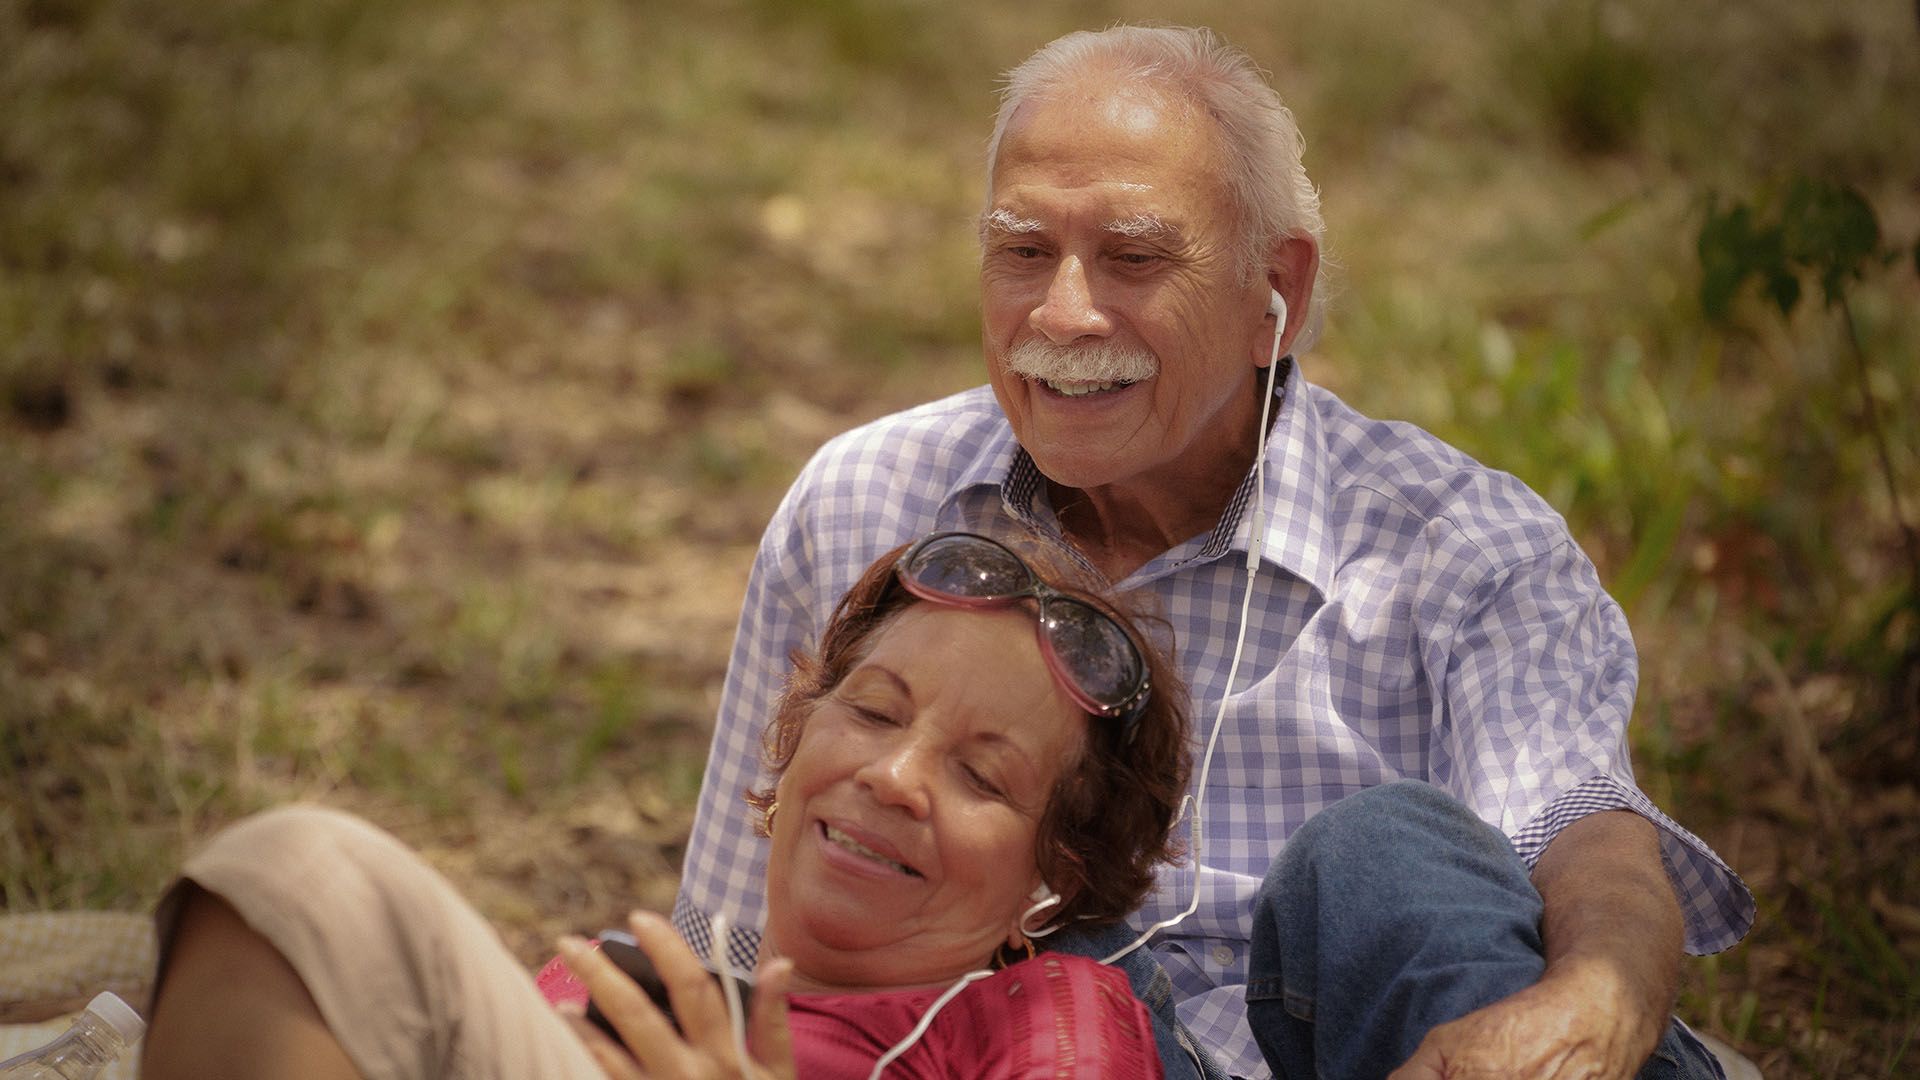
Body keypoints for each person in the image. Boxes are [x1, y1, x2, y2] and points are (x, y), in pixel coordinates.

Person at [673, 24, 1755, 1080]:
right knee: (1054, 968)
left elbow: (1585, 829)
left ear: (1271, 295)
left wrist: (1597, 1003)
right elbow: (744, 917)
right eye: (1022, 251)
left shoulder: (1457, 544)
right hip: (1027, 1047)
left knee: (1377, 857)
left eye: (1134, 258)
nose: (1065, 312)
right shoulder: (868, 497)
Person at [139, 532, 1197, 1079]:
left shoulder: (1042, 1015)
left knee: (310, 874)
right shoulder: (642, 964)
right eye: (873, 713)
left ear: (1055, 879)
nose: (894, 776)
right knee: (282, 900)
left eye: (981, 777)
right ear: (796, 740)